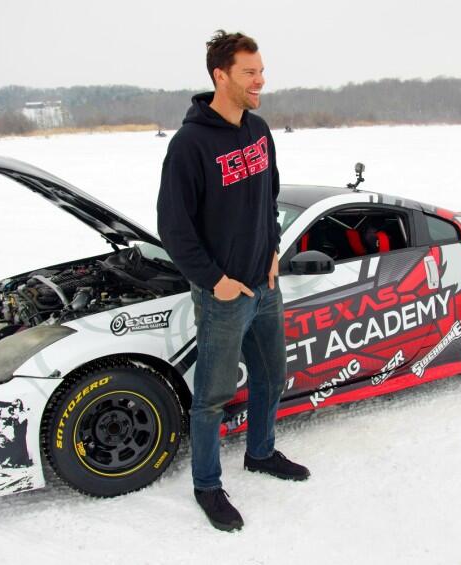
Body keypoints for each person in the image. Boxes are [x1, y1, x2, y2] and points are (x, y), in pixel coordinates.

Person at [156, 30, 309, 532]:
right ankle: (207, 485)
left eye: (261, 70)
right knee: (212, 397)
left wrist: (272, 252)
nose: (260, 80)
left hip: (264, 286)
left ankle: (261, 454)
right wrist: (215, 280)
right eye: (249, 72)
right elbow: (174, 228)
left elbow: (270, 197)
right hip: (224, 295)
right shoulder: (190, 145)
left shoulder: (259, 130)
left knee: (271, 377)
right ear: (221, 76)